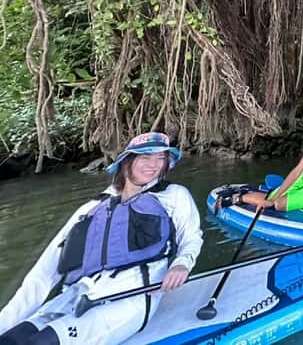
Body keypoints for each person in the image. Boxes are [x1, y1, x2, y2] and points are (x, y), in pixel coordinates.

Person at [0, 132, 202, 345]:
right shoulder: (91, 209)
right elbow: (42, 275)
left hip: (132, 299)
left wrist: (181, 264)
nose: (154, 165)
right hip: (76, 296)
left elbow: (191, 237)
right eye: (146, 157)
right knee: (11, 338)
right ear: (127, 161)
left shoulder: (173, 196)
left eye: (161, 158)